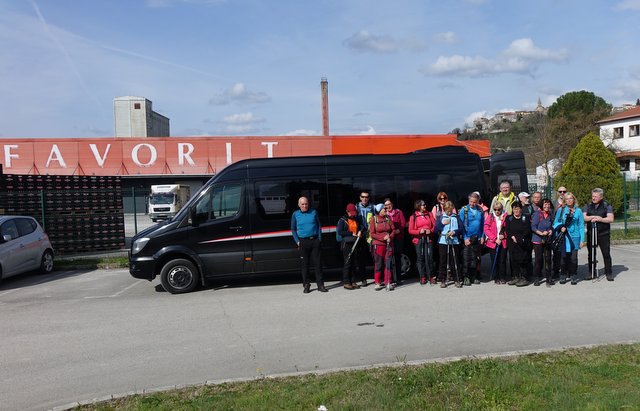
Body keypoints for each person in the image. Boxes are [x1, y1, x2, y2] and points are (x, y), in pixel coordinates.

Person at [291, 196, 327, 293]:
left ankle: (320, 285)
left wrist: (319, 239)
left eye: (306, 204)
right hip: (303, 242)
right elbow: (293, 229)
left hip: (314, 241)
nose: (304, 206)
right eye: (302, 204)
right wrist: (297, 241)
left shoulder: (314, 212)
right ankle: (306, 285)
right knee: (305, 265)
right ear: (299, 205)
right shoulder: (295, 214)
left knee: (318, 264)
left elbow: (319, 225)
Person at [553, 192, 585, 285]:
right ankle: (563, 274)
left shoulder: (578, 211)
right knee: (563, 257)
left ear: (574, 199)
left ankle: (573, 275)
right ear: (564, 201)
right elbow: (555, 223)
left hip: (575, 237)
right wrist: (561, 227)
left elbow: (581, 226)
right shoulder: (561, 210)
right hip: (564, 236)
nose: (569, 200)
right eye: (567, 199)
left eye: (571, 198)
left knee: (573, 258)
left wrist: (582, 240)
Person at [584, 188, 614, 281]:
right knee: (591, 254)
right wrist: (593, 217)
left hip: (603, 233)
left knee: (606, 253)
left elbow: (610, 219)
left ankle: (608, 272)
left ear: (601, 197)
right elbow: (584, 217)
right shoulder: (588, 205)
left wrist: (600, 219)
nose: (593, 198)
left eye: (596, 196)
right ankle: (591, 272)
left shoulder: (606, 205)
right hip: (591, 233)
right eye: (592, 196)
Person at [336, 203, 364, 290]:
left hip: (355, 243)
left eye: (353, 213)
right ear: (347, 211)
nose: (352, 214)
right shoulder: (342, 220)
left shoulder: (356, 219)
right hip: (347, 244)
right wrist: (351, 233)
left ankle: (353, 281)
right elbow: (340, 232)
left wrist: (360, 231)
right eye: (351, 213)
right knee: (347, 263)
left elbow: (361, 226)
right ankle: (346, 282)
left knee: (354, 263)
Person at [408, 199, 436, 285]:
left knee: (429, 257)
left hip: (428, 238)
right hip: (419, 240)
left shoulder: (429, 214)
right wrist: (419, 231)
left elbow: (434, 225)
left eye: (425, 204)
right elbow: (410, 230)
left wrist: (430, 231)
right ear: (418, 206)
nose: (425, 206)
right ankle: (422, 277)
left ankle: (431, 276)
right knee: (420, 258)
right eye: (423, 205)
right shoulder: (413, 217)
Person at [504, 201, 532, 287]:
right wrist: (512, 237)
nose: (516, 210)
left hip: (523, 242)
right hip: (512, 243)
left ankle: (524, 278)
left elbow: (527, 229)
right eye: (514, 209)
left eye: (518, 208)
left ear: (521, 209)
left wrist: (520, 238)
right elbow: (507, 229)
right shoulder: (509, 218)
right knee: (514, 260)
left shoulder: (525, 217)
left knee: (523, 260)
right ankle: (516, 277)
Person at [460, 192, 485, 285]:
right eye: (471, 201)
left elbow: (482, 224)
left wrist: (482, 236)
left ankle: (473, 276)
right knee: (466, 259)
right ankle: (466, 277)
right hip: (468, 238)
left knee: (475, 259)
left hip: (477, 238)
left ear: (478, 201)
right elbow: (461, 226)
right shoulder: (464, 210)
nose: (472, 204)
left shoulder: (480, 210)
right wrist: (465, 238)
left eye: (474, 202)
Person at [369, 203, 396, 291]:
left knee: (388, 263)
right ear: (379, 210)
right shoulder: (374, 219)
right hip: (378, 245)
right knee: (379, 264)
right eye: (384, 209)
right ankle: (377, 282)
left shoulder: (388, 219)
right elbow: (372, 234)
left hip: (388, 244)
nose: (386, 210)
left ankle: (388, 281)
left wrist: (390, 237)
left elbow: (393, 230)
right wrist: (382, 238)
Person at [436, 201, 462, 288]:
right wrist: (442, 224)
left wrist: (454, 232)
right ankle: (443, 279)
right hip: (443, 241)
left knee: (454, 260)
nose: (449, 213)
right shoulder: (440, 217)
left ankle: (457, 279)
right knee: (443, 261)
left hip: (454, 241)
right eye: (447, 211)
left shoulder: (456, 217)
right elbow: (436, 229)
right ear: (444, 210)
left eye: (450, 211)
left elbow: (461, 229)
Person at [531, 198, 555, 286]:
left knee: (548, 259)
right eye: (545, 204)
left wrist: (551, 230)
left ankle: (549, 278)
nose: (547, 206)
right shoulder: (537, 214)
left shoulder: (550, 214)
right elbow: (533, 227)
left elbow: (551, 225)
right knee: (538, 260)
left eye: (548, 204)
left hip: (547, 240)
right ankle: (537, 278)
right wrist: (541, 233)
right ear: (542, 205)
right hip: (538, 240)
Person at [384, 198, 406, 285]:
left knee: (397, 258)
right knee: (388, 258)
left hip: (398, 237)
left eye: (389, 204)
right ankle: (390, 278)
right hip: (388, 238)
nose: (388, 206)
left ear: (392, 204)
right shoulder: (384, 214)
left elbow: (403, 223)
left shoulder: (398, 212)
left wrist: (399, 230)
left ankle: (398, 278)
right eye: (386, 205)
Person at [484, 202, 507, 284]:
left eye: (499, 209)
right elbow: (486, 229)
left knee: (502, 260)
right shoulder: (490, 217)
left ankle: (502, 276)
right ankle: (496, 277)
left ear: (501, 209)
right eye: (495, 209)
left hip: (503, 241)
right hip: (493, 242)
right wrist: (494, 239)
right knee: (495, 260)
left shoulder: (505, 216)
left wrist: (503, 235)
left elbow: (508, 228)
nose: (497, 211)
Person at [356, 190, 375, 286]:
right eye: (363, 197)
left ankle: (377, 278)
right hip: (361, 234)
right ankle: (363, 279)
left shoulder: (373, 207)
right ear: (360, 197)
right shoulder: (356, 207)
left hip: (371, 234)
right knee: (361, 258)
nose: (365, 199)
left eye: (366, 197)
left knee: (374, 256)